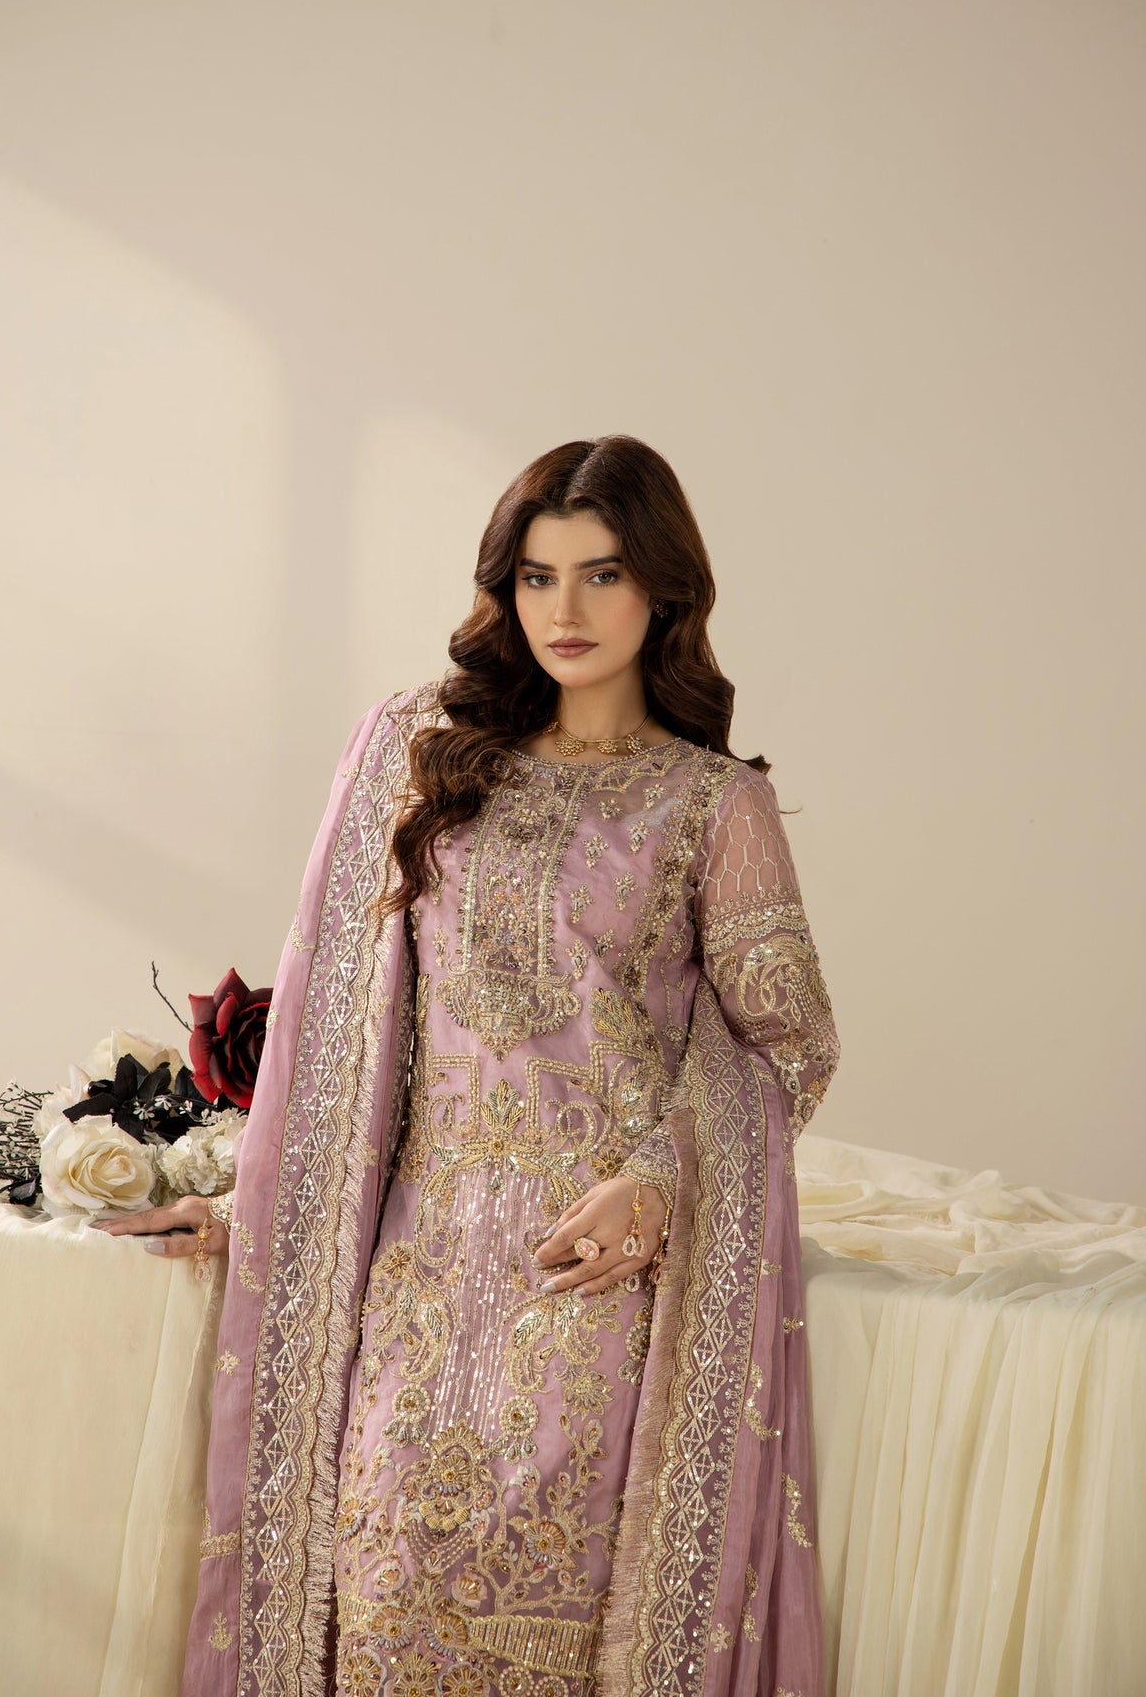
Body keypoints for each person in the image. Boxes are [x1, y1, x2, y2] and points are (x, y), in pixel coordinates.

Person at [95, 434, 841, 1697]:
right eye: (538, 576)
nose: (566, 609)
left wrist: (658, 1181)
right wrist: (250, 1200)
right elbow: (345, 1035)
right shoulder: (418, 753)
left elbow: (791, 1043)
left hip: (595, 1292)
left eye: (602, 574)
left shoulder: (715, 805)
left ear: (663, 587)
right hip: (415, 1288)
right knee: (380, 1619)